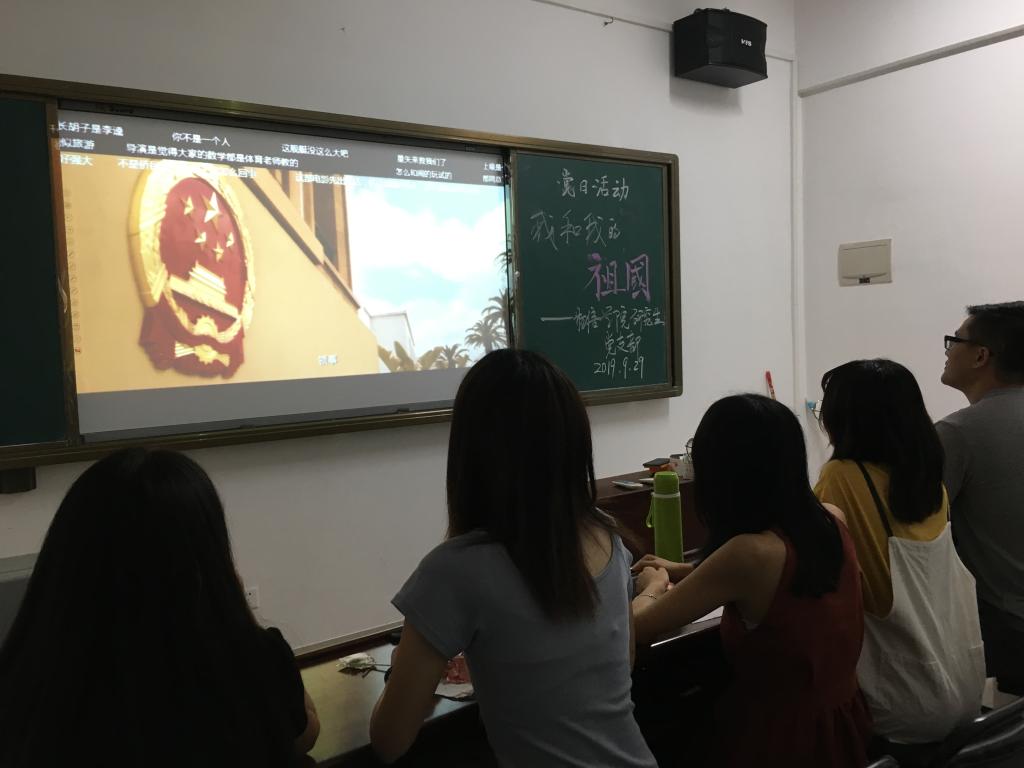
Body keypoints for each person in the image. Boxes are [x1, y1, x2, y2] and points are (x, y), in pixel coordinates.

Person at [370, 349, 656, 767]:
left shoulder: (454, 571)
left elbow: (389, 740)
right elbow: (621, 663)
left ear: (472, 452)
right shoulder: (606, 537)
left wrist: (402, 665)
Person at [0, 448, 319, 768]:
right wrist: (235, 610)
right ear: (208, 562)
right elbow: (304, 734)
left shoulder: (33, 680)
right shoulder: (252, 662)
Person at [632, 394, 870, 768]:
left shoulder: (747, 555)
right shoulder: (831, 519)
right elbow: (780, 587)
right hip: (842, 728)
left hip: (778, 740)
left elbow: (638, 627)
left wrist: (652, 584)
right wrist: (682, 570)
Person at [815, 359, 984, 745]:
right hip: (963, 686)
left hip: (899, 699)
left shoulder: (842, 476)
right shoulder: (927, 481)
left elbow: (803, 558)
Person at [938, 301, 1024, 697]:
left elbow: (917, 531)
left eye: (954, 341)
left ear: (980, 356)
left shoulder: (957, 433)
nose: (948, 350)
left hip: (1006, 629)